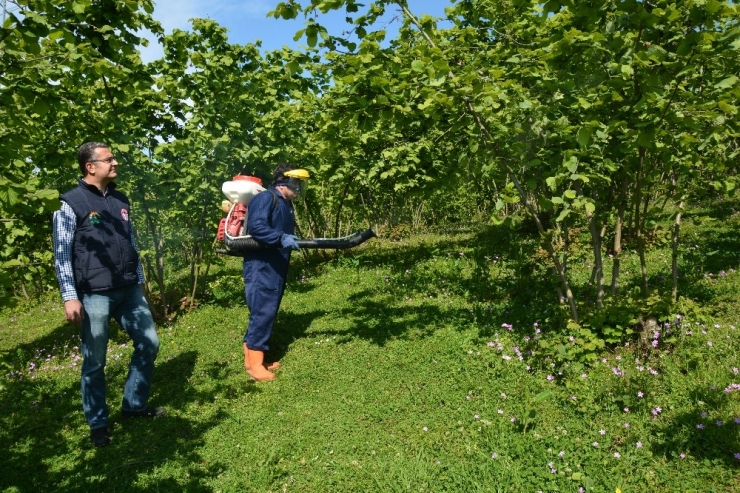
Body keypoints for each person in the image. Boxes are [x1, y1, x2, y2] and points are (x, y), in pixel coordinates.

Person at [53, 142, 165, 448]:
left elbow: (131, 243)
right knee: (94, 361)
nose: (115, 163)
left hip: (128, 290)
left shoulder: (119, 199)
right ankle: (98, 424)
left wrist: (139, 281)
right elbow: (61, 255)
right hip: (93, 294)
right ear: (91, 166)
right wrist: (69, 296)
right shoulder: (70, 205)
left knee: (149, 343)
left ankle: (133, 405)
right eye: (109, 159)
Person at [242, 163, 309, 381]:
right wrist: (280, 238)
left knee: (266, 310)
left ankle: (254, 360)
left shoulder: (284, 203)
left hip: (275, 265)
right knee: (262, 310)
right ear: (284, 182)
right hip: (262, 265)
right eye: (296, 183)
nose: (298, 188)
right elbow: (257, 227)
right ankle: (255, 367)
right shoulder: (266, 198)